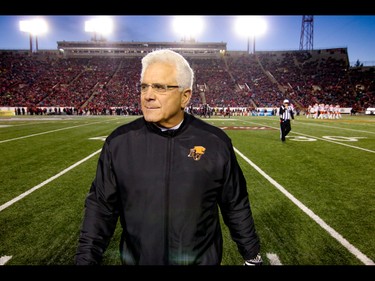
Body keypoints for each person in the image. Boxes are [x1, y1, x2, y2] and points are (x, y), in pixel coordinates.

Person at [74, 49, 262, 266]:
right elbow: (101, 208)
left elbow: (234, 203)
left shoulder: (215, 142)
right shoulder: (120, 143)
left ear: (185, 96)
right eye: (144, 86)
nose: (148, 95)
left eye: (160, 87)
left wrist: (251, 254)